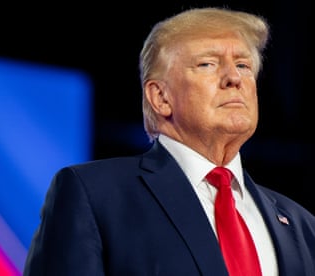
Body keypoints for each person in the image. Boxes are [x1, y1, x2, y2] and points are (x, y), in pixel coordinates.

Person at [23, 7, 315, 276]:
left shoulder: (301, 224)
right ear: (160, 97)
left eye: (243, 66)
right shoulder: (93, 194)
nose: (233, 78)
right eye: (207, 64)